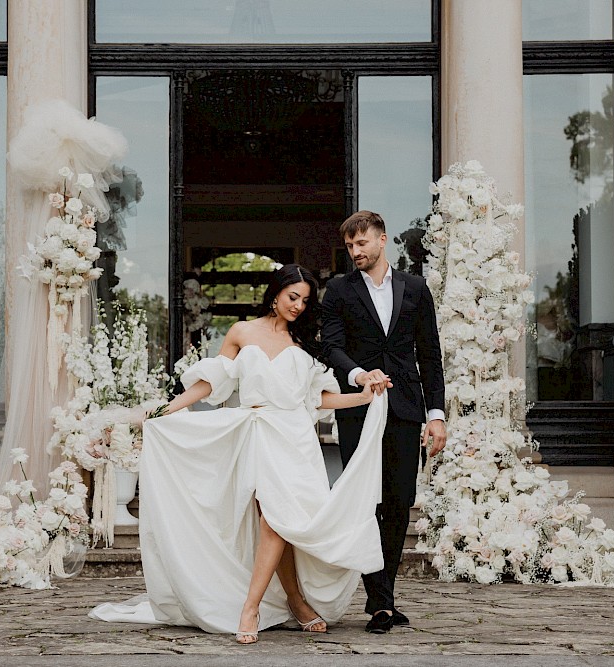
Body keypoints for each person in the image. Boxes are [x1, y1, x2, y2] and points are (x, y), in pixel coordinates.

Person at [90, 264, 391, 644]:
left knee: (280, 523)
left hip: (297, 440)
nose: (298, 306)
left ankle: (295, 600)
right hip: (257, 435)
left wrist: (363, 396)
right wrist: (161, 412)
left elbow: (318, 398)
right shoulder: (241, 332)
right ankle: (254, 607)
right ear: (276, 293)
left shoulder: (303, 343)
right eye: (292, 296)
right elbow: (208, 383)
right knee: (272, 520)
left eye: (304, 300)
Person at [321, 210, 447, 634]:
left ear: (381, 240)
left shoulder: (415, 288)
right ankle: (381, 602)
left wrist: (436, 415)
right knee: (365, 501)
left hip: (407, 410)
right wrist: (360, 376)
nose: (355, 252)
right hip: (359, 410)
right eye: (350, 247)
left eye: (361, 243)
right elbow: (331, 347)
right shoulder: (338, 291)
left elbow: (429, 355)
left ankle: (384, 597)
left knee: (397, 501)